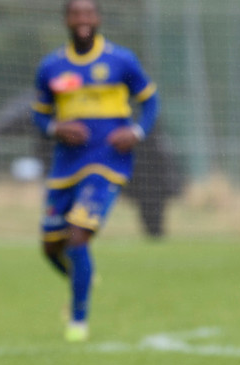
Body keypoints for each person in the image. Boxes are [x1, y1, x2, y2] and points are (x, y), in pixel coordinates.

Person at [31, 0, 159, 341]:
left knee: (77, 237)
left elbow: (151, 100)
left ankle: (78, 321)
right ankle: (84, 275)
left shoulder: (121, 60)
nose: (83, 20)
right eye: (76, 14)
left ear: (98, 18)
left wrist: (136, 131)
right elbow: (39, 113)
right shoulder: (52, 66)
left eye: (89, 13)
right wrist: (55, 128)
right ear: (67, 20)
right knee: (50, 248)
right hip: (65, 165)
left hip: (107, 162)